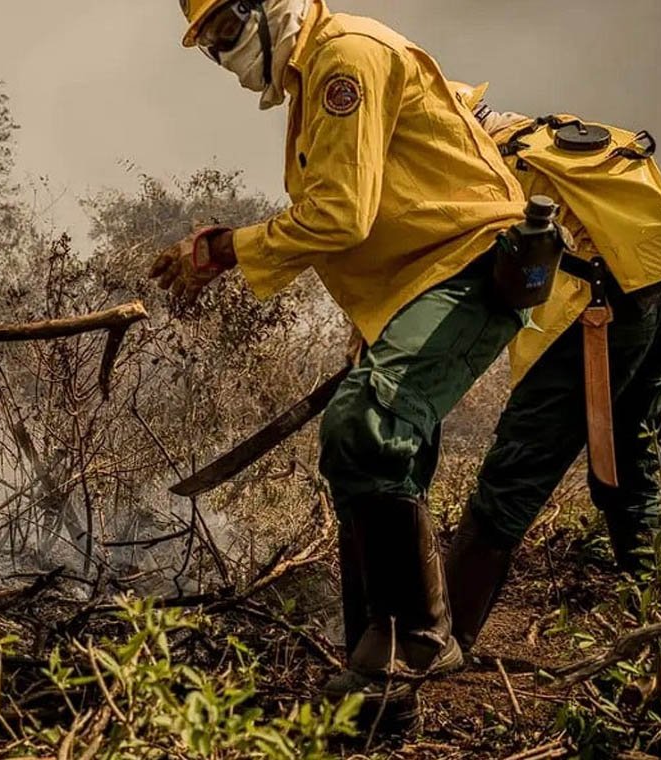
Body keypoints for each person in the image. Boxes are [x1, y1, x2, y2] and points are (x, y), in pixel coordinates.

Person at [150, 0, 545, 715]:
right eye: (209, 45)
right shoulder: (313, 77)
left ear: (266, 8)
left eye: (227, 33)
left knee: (364, 427)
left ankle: (417, 642)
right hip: (421, 281)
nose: (224, 55)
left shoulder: (344, 59)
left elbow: (339, 214)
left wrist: (227, 249)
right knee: (369, 451)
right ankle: (374, 667)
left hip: (470, 265)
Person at [445, 84, 661, 653]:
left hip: (598, 313)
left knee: (514, 472)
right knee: (630, 452)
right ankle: (652, 612)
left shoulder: (472, 164)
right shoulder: (535, 132)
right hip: (655, 292)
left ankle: (436, 645)